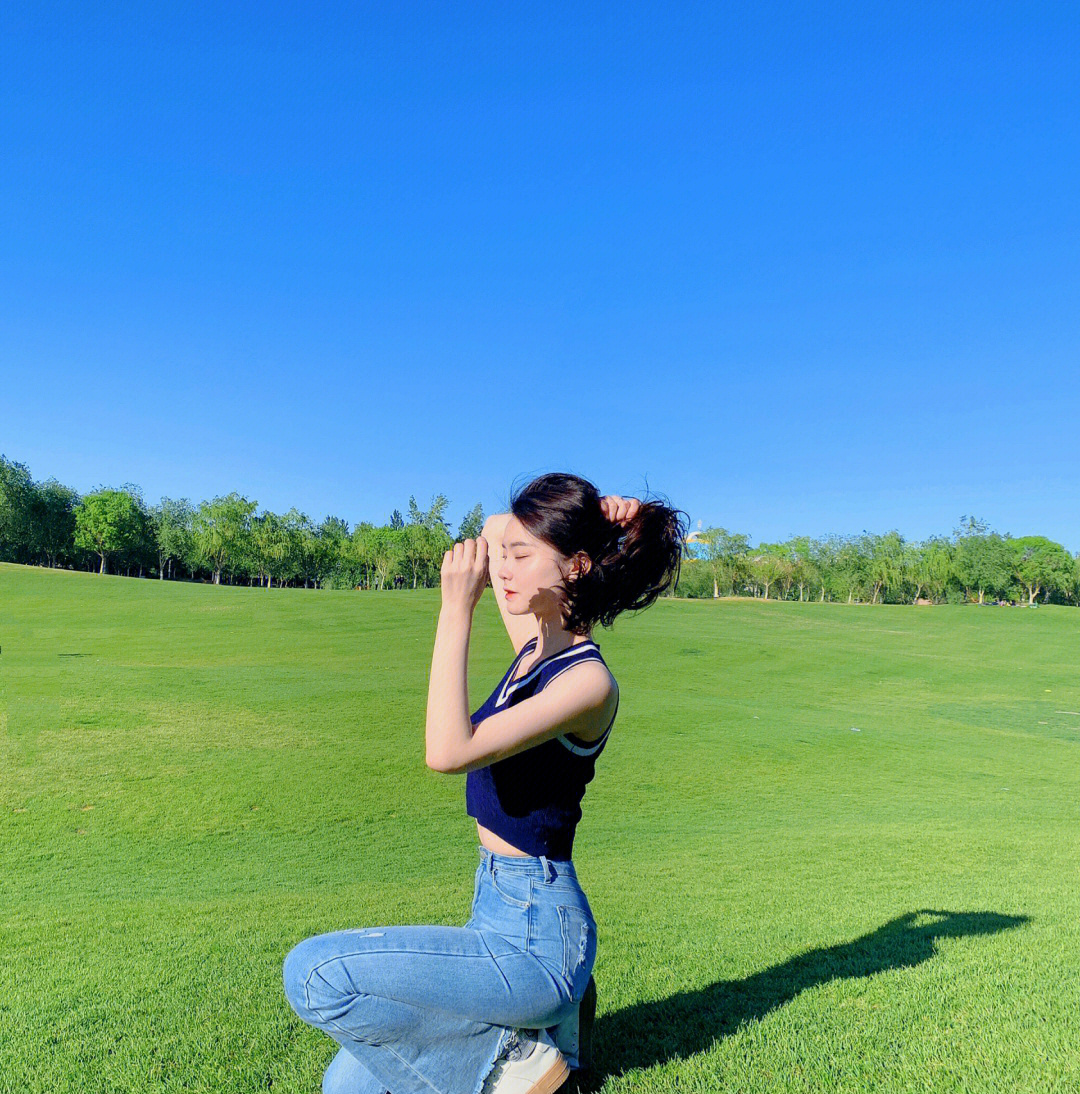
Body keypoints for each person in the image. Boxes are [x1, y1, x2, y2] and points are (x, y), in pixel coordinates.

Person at [283, 472, 688, 1094]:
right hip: (493, 910)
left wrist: (455, 609)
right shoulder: (533, 646)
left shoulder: (585, 683)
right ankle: (538, 1041)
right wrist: (602, 514)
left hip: (539, 931)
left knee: (315, 975)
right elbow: (496, 528)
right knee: (345, 1088)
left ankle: (515, 1061)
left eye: (525, 558)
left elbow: (449, 752)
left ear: (576, 568)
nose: (504, 565)